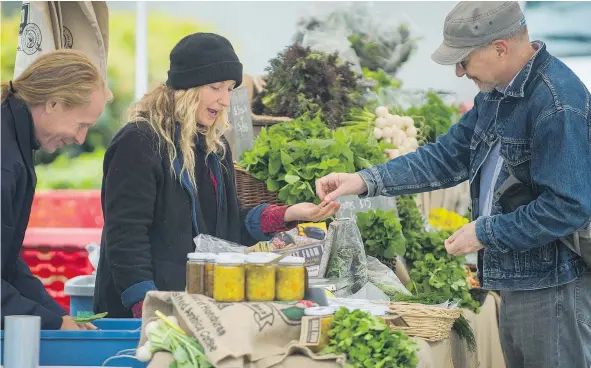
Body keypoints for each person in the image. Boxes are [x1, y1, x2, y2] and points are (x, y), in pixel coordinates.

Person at [316, 2, 591, 367]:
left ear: (499, 48)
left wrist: (486, 233)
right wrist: (365, 180)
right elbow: (447, 157)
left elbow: (567, 206)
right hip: (520, 284)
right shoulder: (497, 95)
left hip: (552, 290)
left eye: (464, 60)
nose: (460, 73)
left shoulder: (557, 104)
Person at [93, 33, 340, 318]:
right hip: (145, 310)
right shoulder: (139, 142)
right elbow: (125, 235)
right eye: (215, 88)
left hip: (199, 307)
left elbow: (228, 229)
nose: (224, 100)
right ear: (188, 87)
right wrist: (147, 307)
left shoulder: (214, 148)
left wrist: (288, 214)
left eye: (230, 89)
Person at [1, 49, 112, 330]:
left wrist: (58, 316)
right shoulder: (6, 158)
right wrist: (52, 321)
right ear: (53, 103)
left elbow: (7, 264)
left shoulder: (14, 139)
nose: (80, 137)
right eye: (81, 125)